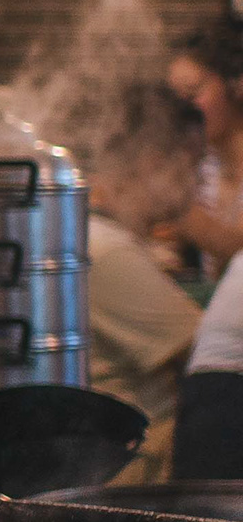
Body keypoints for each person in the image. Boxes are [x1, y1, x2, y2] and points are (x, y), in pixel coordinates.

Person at [73, 83, 207, 484]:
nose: (198, 182)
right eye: (194, 163)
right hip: (139, 478)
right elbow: (211, 356)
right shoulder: (108, 250)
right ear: (155, 163)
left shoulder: (95, 236)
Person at [166, 18, 243, 275]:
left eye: (192, 94)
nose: (183, 111)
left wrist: (171, 198)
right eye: (176, 100)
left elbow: (235, 247)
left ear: (236, 85)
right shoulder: (205, 165)